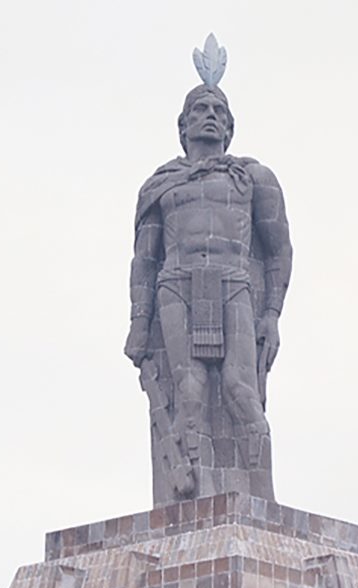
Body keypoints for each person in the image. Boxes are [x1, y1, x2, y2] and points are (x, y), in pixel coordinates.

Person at [124, 77, 293, 502]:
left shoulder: (252, 177)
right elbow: (145, 260)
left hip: (233, 283)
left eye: (219, 112)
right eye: (201, 110)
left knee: (242, 390)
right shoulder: (161, 185)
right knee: (189, 392)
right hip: (176, 286)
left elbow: (279, 251)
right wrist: (138, 325)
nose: (211, 117)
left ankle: (262, 499)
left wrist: (272, 313)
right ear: (182, 127)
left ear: (230, 129)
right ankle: (188, 497)